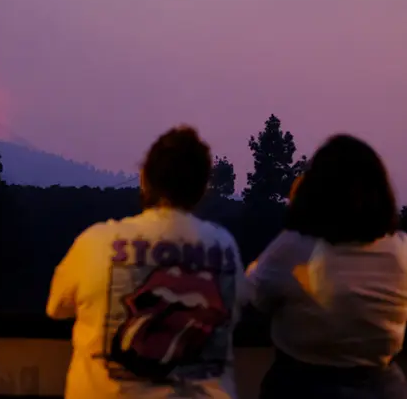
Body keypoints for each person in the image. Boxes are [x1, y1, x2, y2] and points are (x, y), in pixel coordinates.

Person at [46, 126, 247, 399]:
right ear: (202, 188)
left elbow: (56, 307)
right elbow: (238, 309)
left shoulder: (96, 242)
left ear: (144, 179)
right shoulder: (225, 247)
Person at [247, 134, 407, 399]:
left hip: (300, 385)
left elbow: (254, 294)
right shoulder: (400, 251)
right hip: (382, 387)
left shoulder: (294, 248)